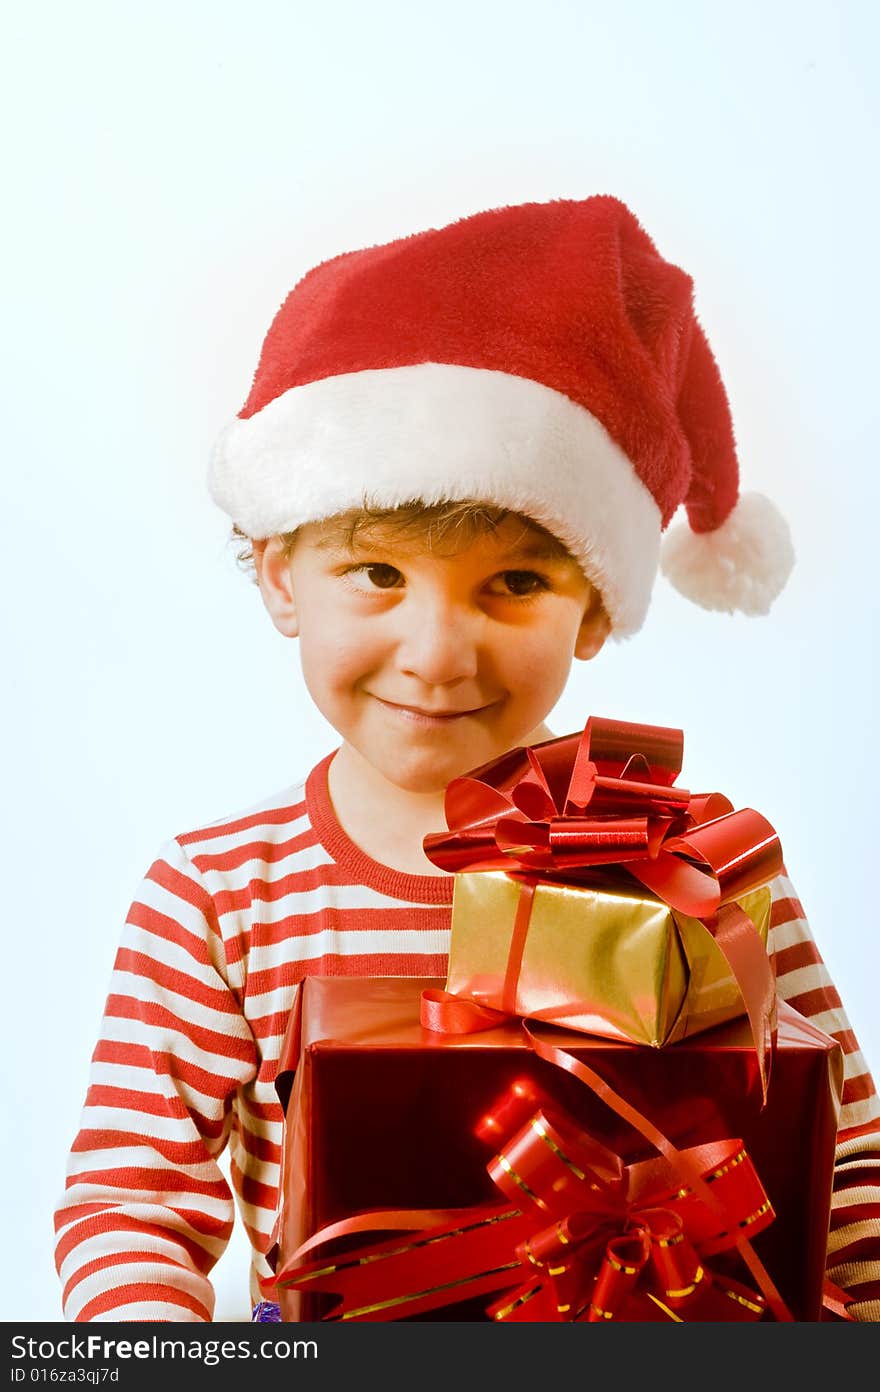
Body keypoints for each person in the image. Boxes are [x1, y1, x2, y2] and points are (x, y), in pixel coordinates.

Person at [53, 195, 880, 1323]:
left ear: (595, 611)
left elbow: (847, 1168)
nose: (437, 658)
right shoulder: (216, 895)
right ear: (279, 576)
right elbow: (130, 1204)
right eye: (378, 576)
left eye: (516, 583)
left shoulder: (700, 868)